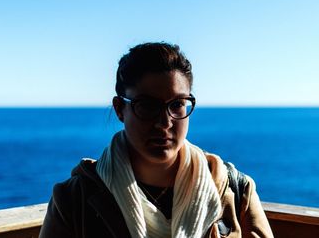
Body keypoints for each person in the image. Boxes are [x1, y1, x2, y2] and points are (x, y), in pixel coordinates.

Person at [39, 42, 274, 238]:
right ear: (120, 109)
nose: (164, 122)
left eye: (177, 105)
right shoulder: (74, 200)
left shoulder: (235, 189)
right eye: (148, 106)